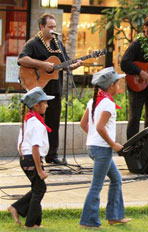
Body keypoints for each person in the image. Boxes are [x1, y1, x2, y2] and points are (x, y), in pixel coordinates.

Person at [17, 13, 82, 164]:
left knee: (54, 122)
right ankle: (34, 154)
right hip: (38, 91)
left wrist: (75, 65)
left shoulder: (57, 44)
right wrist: (42, 65)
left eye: (54, 27)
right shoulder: (33, 43)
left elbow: (64, 64)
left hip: (54, 89)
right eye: (50, 27)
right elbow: (22, 58)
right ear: (41, 27)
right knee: (37, 122)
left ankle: (52, 155)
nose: (53, 30)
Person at [79, 67, 131, 229]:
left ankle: (115, 216)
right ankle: (88, 221)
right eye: (117, 83)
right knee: (96, 186)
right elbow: (101, 127)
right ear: (110, 86)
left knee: (116, 179)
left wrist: (93, 137)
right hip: (102, 149)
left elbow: (83, 124)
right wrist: (113, 144)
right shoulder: (107, 103)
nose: (119, 85)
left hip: (94, 147)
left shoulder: (94, 100)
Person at [8, 87, 55, 229]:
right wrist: (39, 170)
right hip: (31, 159)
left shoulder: (30, 120)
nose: (47, 105)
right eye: (45, 102)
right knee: (40, 189)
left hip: (27, 159)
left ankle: (25, 214)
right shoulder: (35, 123)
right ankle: (30, 223)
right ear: (36, 105)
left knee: (38, 188)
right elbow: (35, 148)